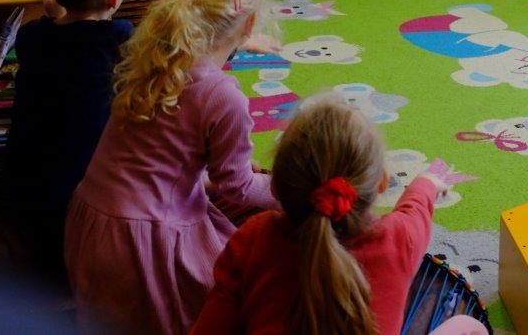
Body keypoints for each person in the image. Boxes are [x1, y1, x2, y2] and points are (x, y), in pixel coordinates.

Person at [64, 0, 279, 334]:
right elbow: (238, 188)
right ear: (248, 26)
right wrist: (285, 188)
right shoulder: (223, 96)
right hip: (146, 241)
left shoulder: (151, 55)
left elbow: (161, 156)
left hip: (92, 223)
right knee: (245, 284)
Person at [192, 94, 466, 334]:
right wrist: (428, 182)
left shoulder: (255, 236)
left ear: (275, 186)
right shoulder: (400, 237)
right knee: (467, 326)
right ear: (382, 182)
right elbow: (416, 208)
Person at [6, 0, 132, 284]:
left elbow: (67, 38)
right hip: (86, 191)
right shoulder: (120, 37)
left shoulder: (31, 37)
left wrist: (57, 15)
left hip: (28, 185)